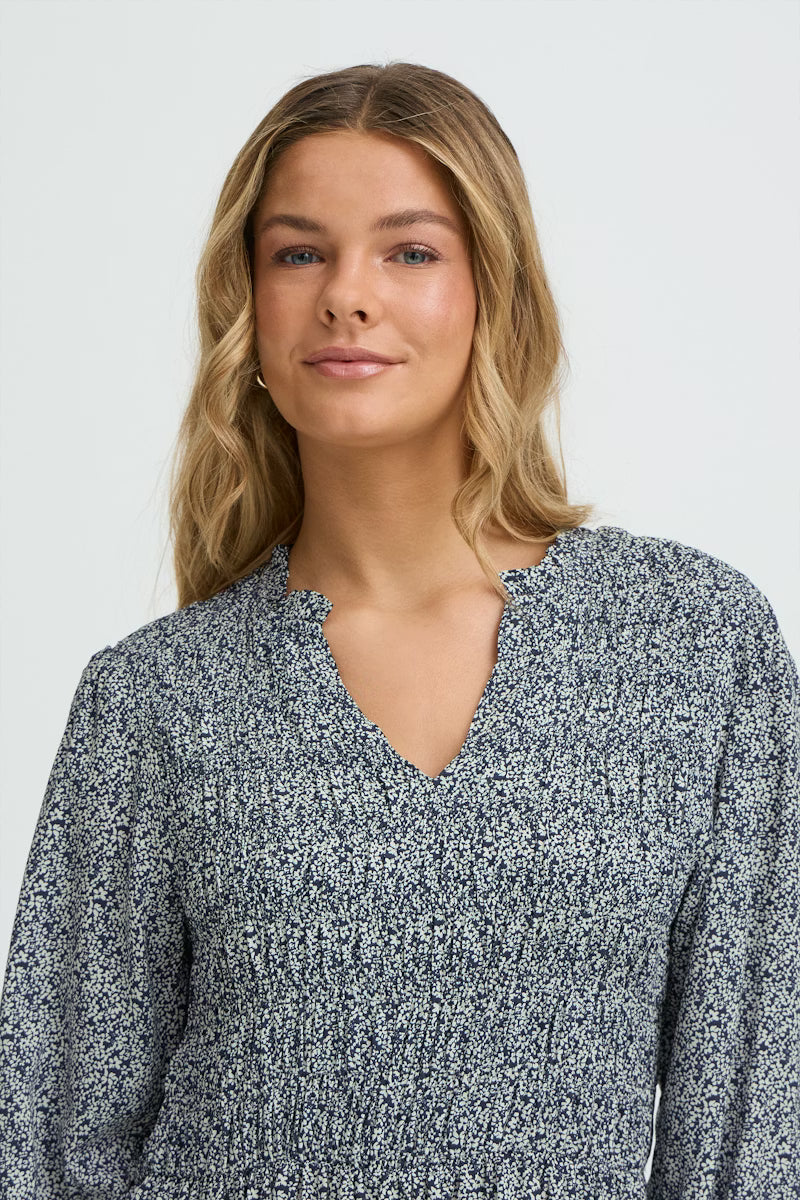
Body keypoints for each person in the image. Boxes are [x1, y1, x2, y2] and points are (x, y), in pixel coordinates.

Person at [0, 60, 797, 1200]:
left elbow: (755, 1129)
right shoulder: (155, 700)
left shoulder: (693, 646)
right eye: (298, 254)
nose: (346, 295)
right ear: (249, 306)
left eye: (409, 252)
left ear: (493, 290)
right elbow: (44, 1146)